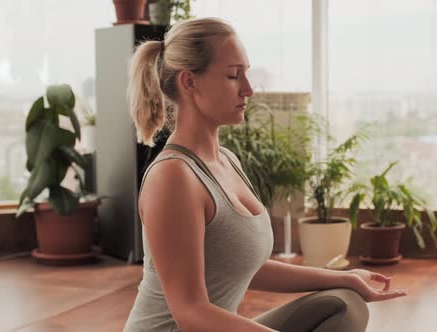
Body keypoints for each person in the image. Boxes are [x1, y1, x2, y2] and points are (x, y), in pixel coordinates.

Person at [123, 17, 407, 332]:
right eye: (233, 75)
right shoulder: (173, 177)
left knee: (344, 302)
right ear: (189, 82)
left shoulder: (227, 161)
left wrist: (348, 277)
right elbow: (190, 314)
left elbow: (245, 268)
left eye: (247, 73)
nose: (248, 89)